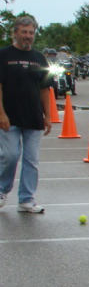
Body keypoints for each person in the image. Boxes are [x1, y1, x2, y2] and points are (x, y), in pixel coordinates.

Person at [0, 16, 52, 213]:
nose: (27, 36)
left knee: (32, 160)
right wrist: (1, 114)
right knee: (10, 155)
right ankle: (2, 189)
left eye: (31, 33)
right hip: (9, 118)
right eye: (24, 32)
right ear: (14, 33)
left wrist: (47, 116)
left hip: (33, 118)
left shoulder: (39, 58)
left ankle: (26, 199)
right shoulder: (4, 55)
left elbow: (45, 89)